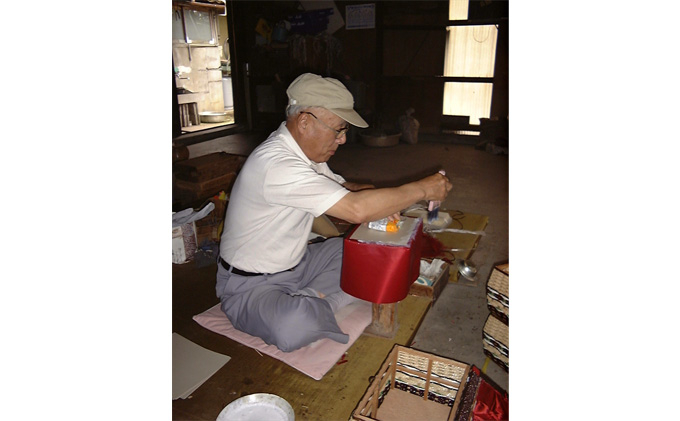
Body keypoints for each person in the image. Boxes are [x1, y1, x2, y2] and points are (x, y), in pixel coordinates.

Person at [216, 73, 452, 352]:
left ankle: (310, 298)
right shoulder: (277, 164)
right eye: (337, 130)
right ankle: (320, 303)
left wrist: (380, 201)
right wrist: (422, 189)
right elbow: (355, 209)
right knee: (294, 326)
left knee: (368, 255)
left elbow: (344, 188)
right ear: (305, 122)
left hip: (300, 263)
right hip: (250, 286)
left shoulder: (303, 153)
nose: (342, 139)